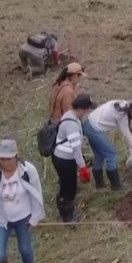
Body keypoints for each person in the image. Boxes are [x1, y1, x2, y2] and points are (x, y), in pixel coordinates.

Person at [82, 100, 132, 191]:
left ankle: (99, 184)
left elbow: (131, 127)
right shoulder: (121, 117)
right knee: (112, 154)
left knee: (99, 155)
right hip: (94, 130)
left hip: (88, 123)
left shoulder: (124, 104)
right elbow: (127, 136)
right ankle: (116, 185)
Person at [51, 94, 95, 222]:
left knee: (65, 184)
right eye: (86, 110)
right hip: (65, 159)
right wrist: (83, 167)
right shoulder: (72, 125)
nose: (86, 113)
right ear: (82, 108)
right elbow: (76, 149)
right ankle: (68, 216)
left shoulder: (69, 115)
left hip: (60, 157)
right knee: (70, 187)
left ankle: (62, 207)